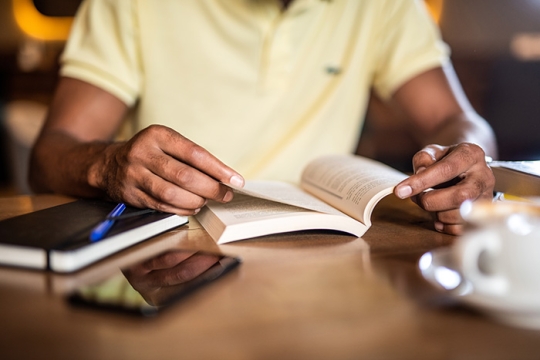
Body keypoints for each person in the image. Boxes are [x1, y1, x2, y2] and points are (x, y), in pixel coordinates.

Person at [29, 0, 497, 235]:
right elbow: (50, 154)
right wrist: (109, 164)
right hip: (171, 253)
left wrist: (466, 161)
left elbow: (459, 122)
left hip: (333, 252)